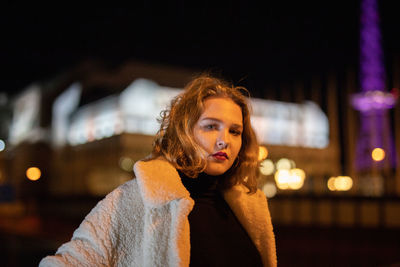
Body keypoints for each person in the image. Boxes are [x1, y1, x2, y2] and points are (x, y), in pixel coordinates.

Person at [39, 74, 277, 267]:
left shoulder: (247, 207)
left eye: (235, 131)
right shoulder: (139, 198)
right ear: (184, 132)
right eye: (211, 127)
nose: (224, 140)